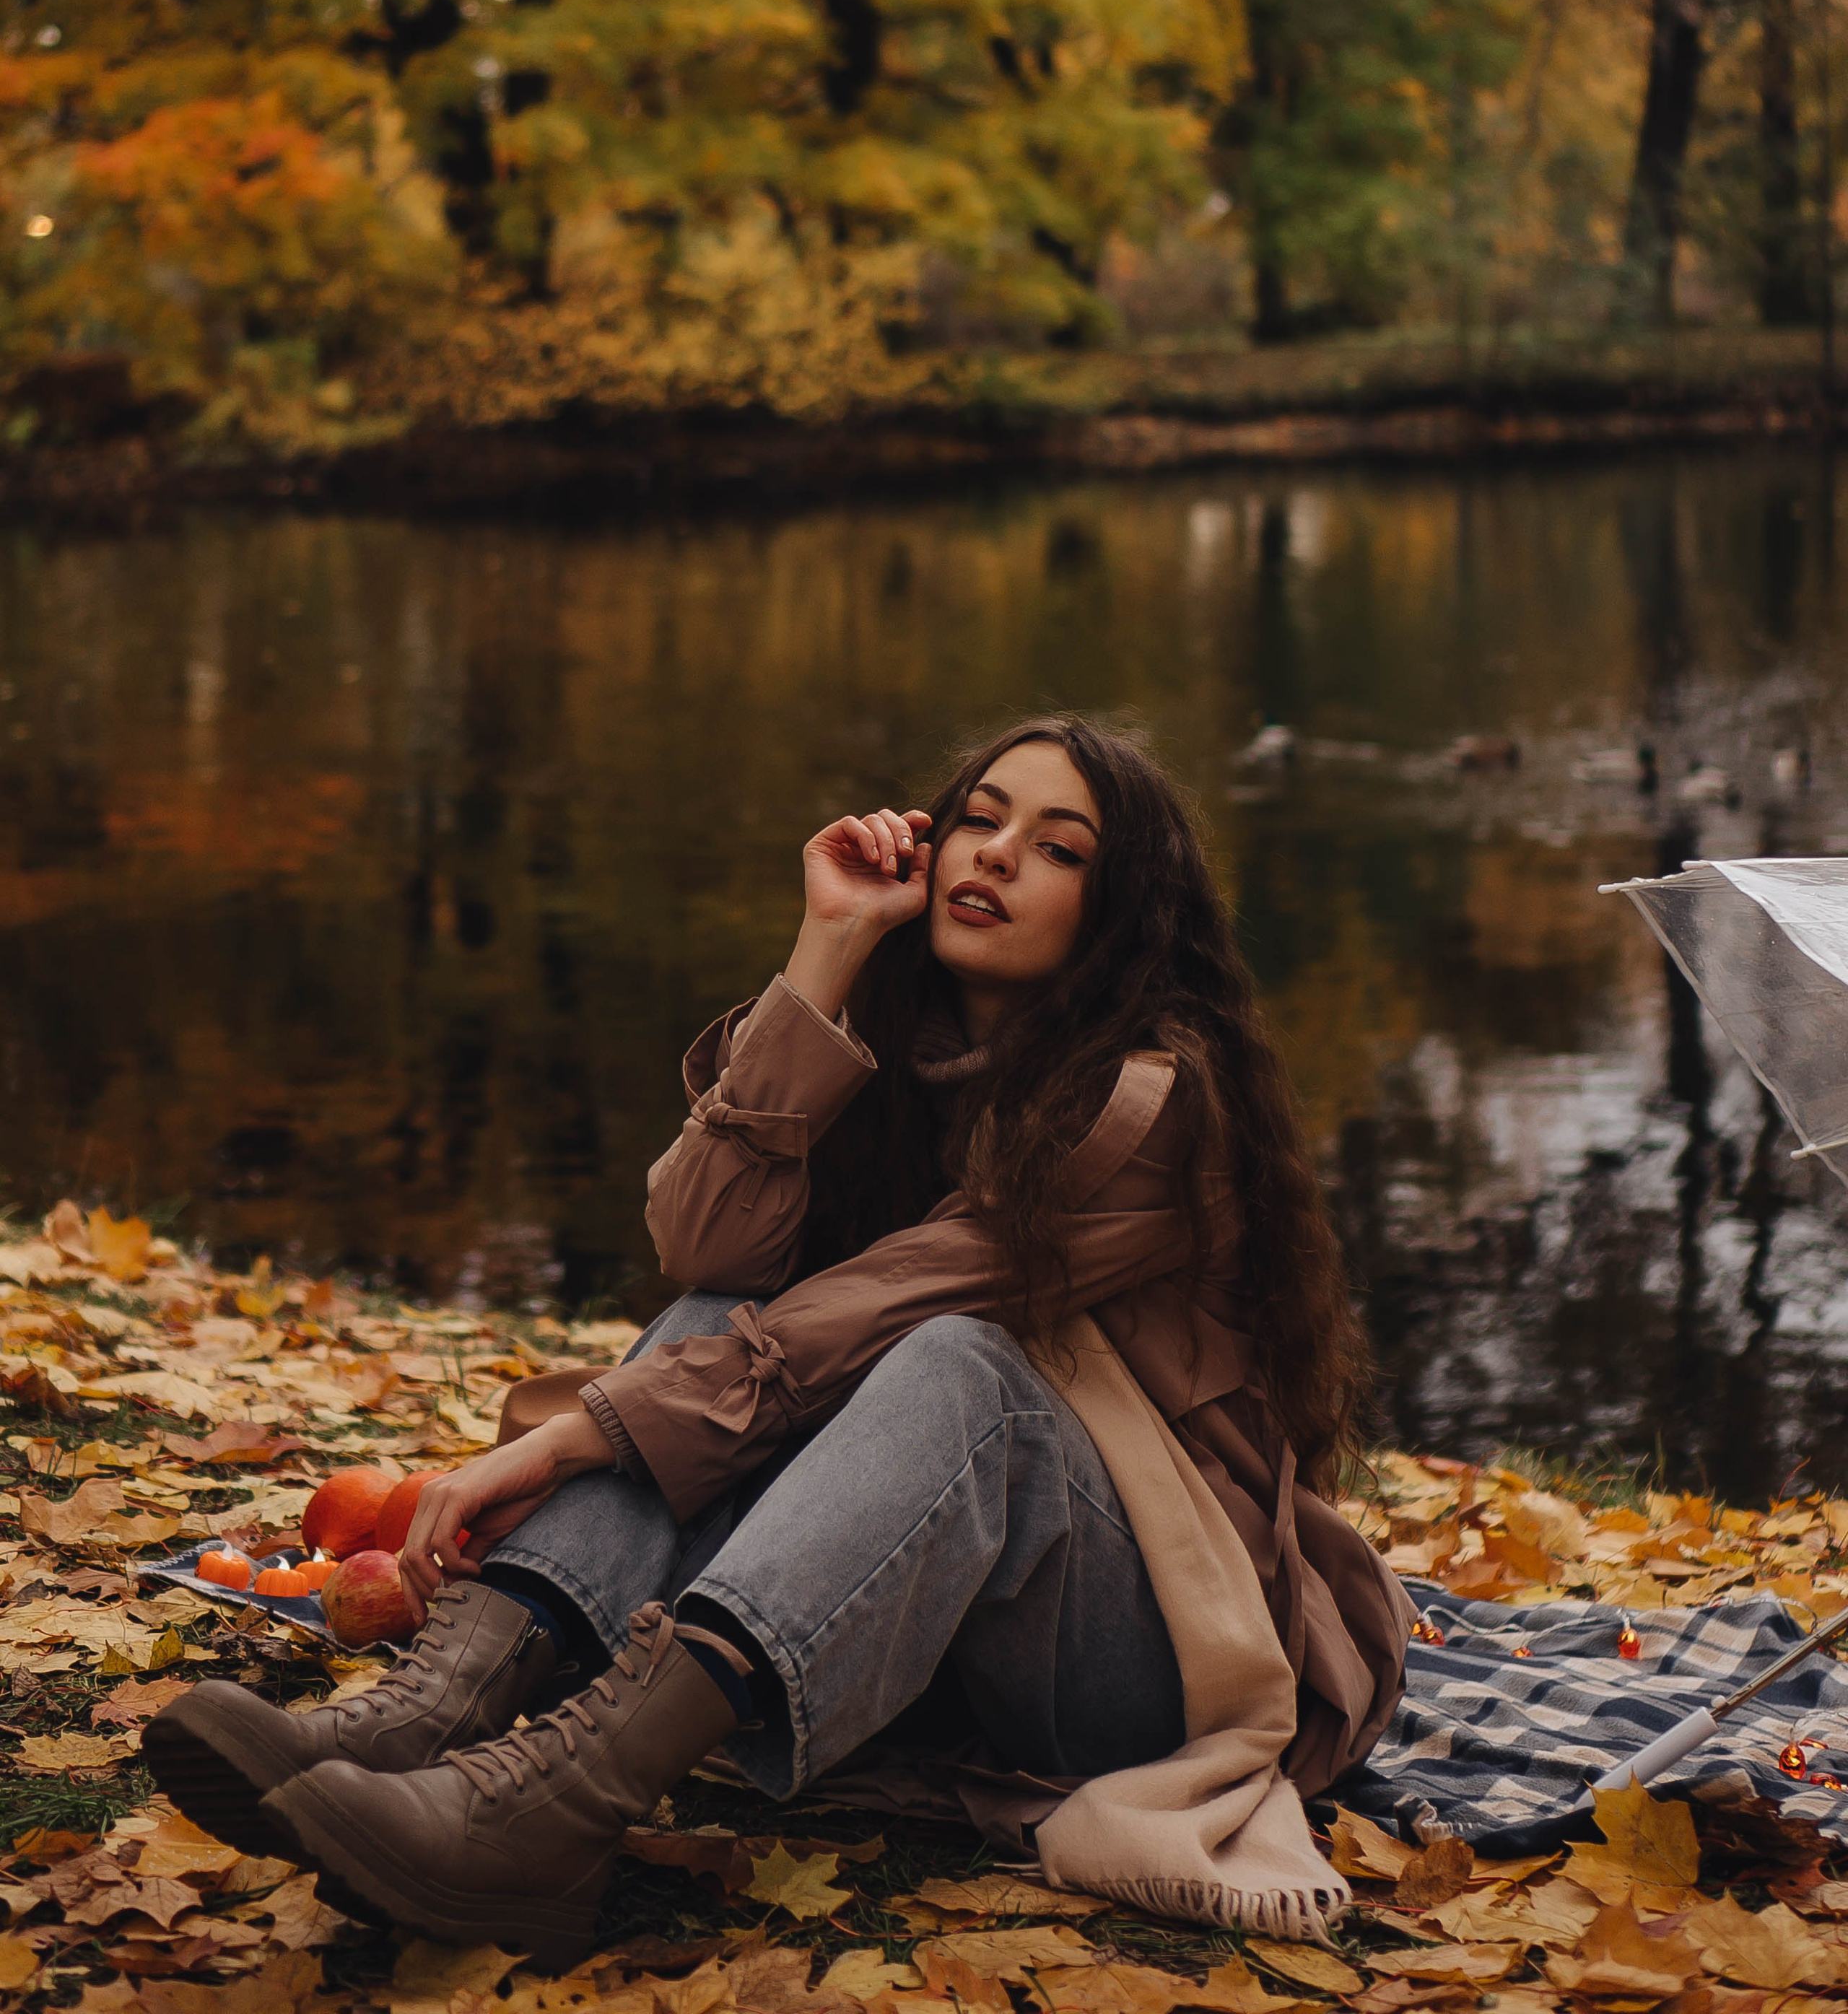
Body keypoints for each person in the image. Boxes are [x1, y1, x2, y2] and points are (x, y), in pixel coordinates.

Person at [148, 718, 1410, 1967]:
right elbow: (705, 1257)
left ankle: (557, 1813)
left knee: (963, 1367)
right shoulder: (896, 1042)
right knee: (716, 1328)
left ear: (1126, 904)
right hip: (944, 1625)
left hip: (1153, 1657)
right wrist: (826, 951)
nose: (999, 855)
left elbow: (897, 1304)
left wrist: (575, 1437)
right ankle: (434, 1715)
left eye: (1060, 848)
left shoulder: (1154, 1096)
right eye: (981, 818)